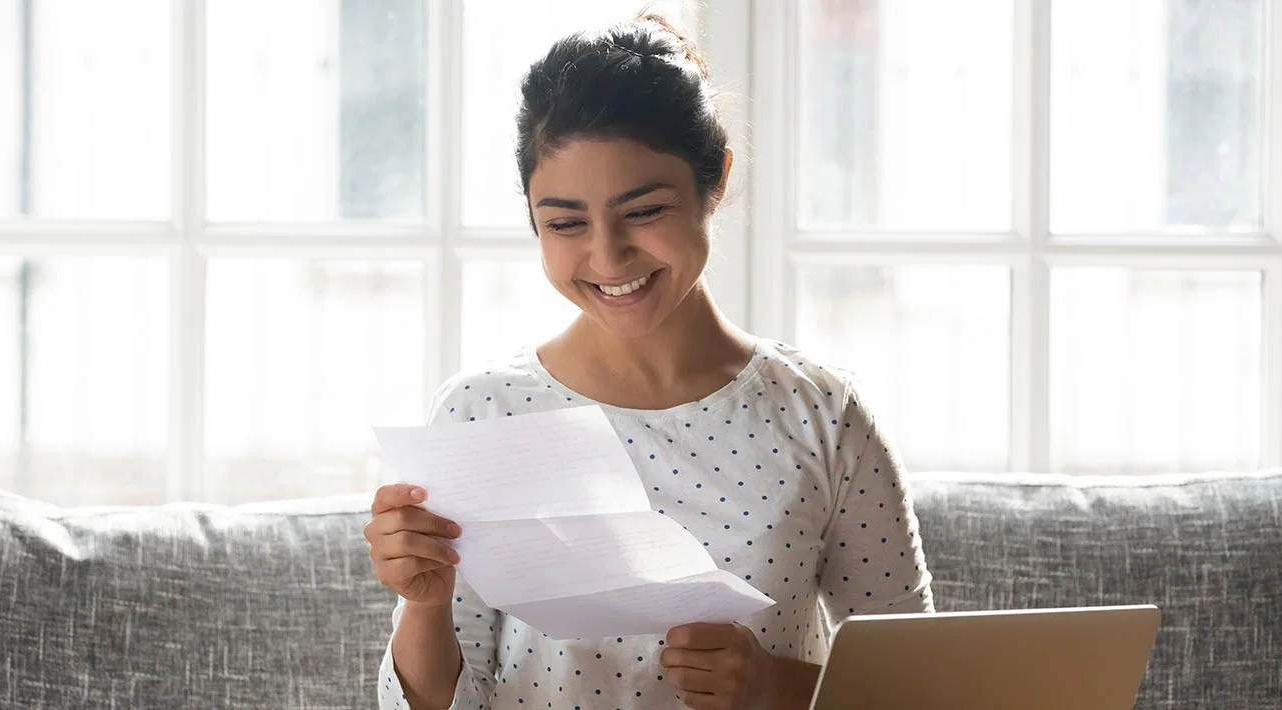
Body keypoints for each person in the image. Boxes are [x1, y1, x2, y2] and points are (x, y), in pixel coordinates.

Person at [366, 13, 934, 710]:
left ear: (716, 181)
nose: (608, 258)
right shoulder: (480, 412)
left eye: (644, 210)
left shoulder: (824, 416)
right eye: (566, 223)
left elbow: (922, 686)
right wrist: (423, 606)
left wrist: (773, 687)